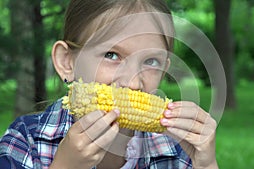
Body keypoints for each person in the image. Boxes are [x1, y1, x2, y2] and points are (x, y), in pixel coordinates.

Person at [0, 0, 218, 168]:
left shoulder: (174, 150)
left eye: (150, 61)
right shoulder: (25, 140)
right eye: (112, 55)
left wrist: (206, 164)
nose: (133, 83)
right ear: (67, 62)